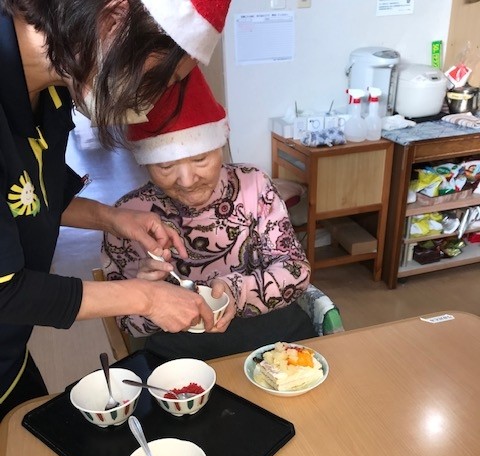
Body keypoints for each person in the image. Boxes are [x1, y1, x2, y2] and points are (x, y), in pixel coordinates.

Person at [0, 0, 231, 419]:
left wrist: (114, 219)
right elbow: (5, 291)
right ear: (114, 18)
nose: (152, 102)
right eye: (161, 80)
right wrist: (145, 297)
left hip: (10, 359)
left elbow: (33, 200)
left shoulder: (53, 91)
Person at [102, 67, 341, 361]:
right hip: (183, 357)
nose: (186, 180)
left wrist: (236, 291)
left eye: (200, 158)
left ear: (220, 145)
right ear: (145, 163)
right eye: (165, 166)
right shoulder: (128, 217)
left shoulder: (253, 185)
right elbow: (125, 322)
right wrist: (146, 295)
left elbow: (295, 270)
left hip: (273, 338)